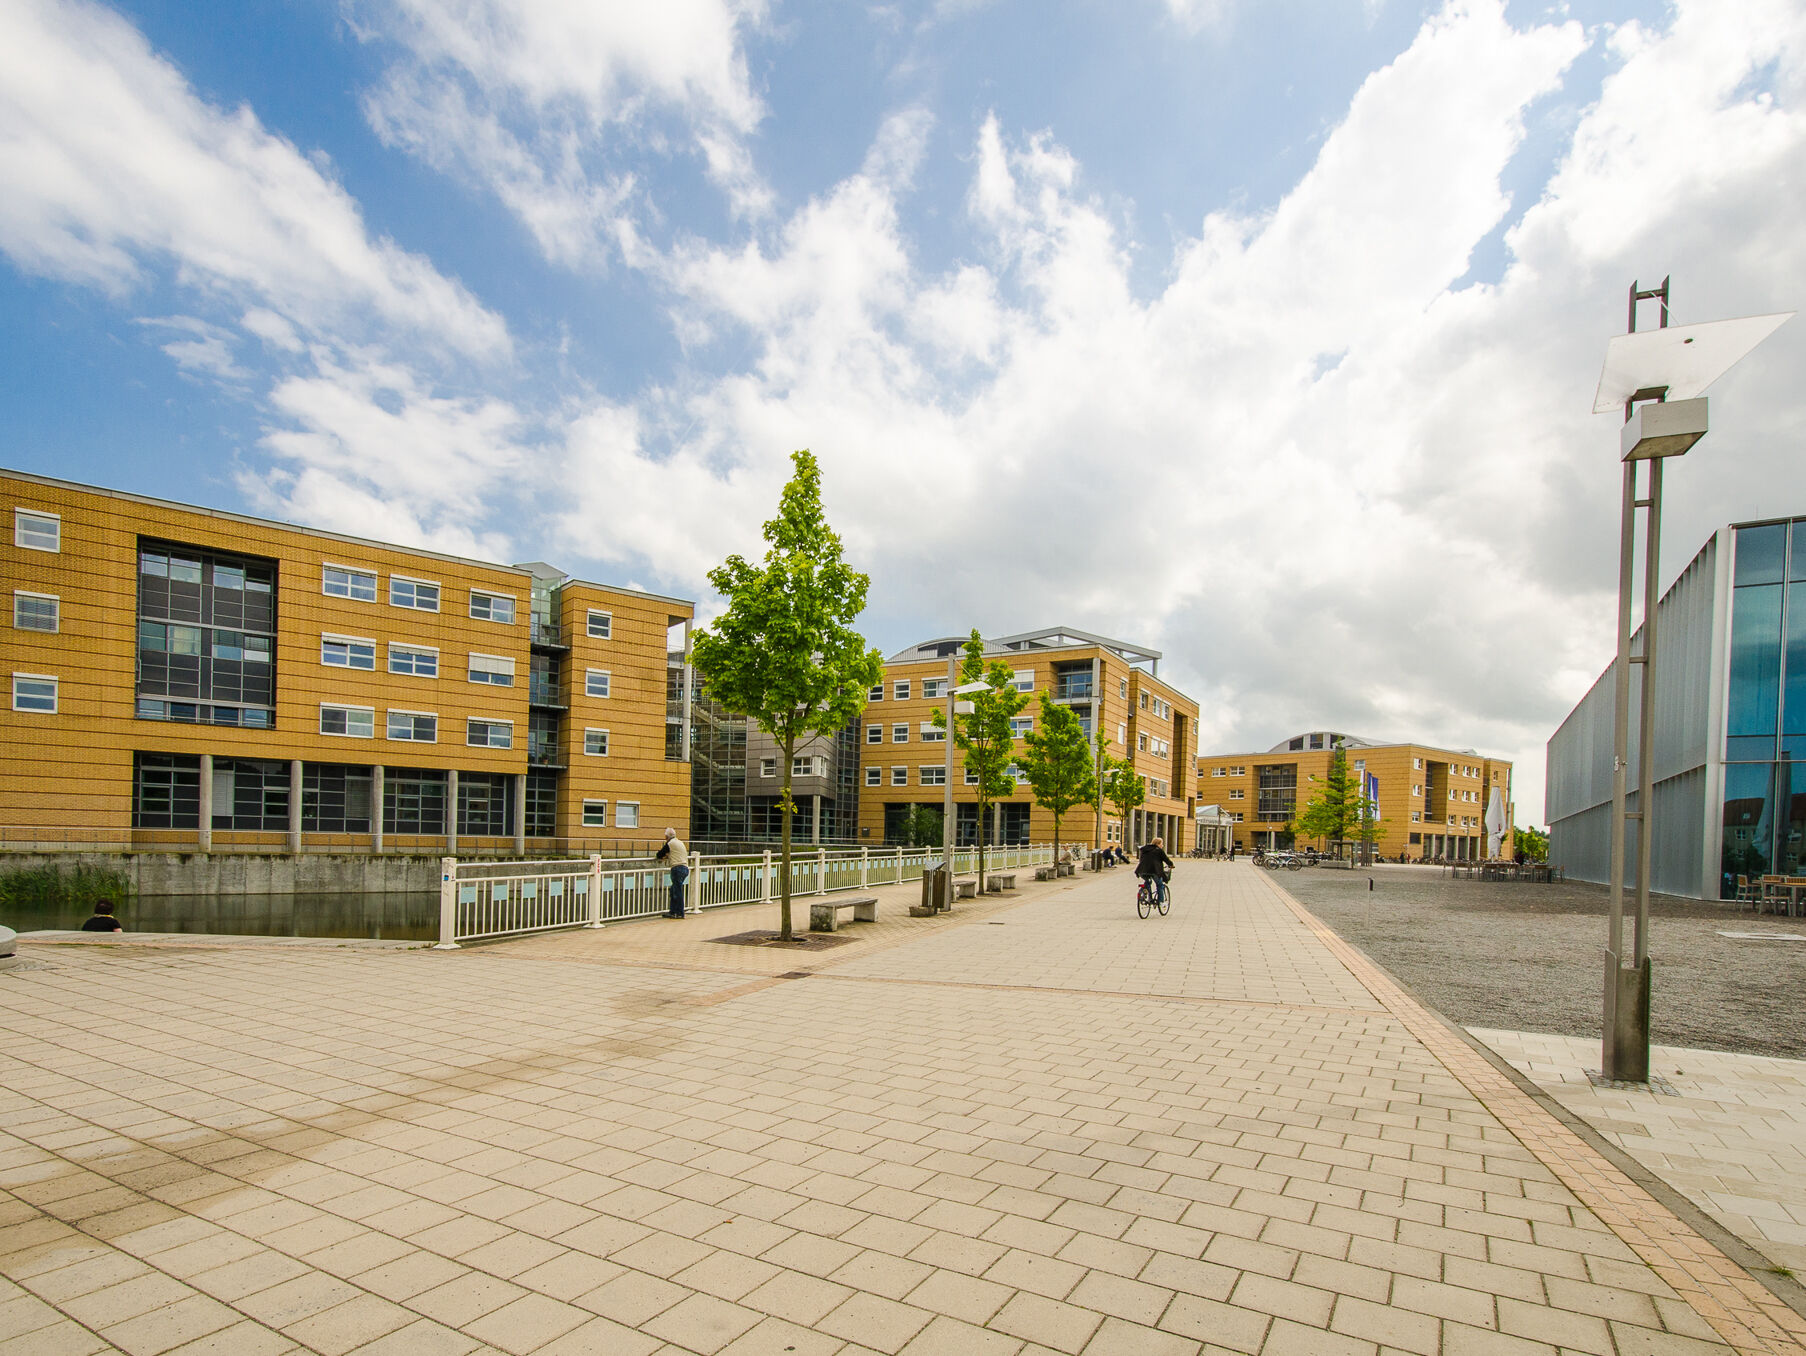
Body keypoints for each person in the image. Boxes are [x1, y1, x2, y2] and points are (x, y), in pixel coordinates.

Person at [657, 828, 689, 918]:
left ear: (667, 836)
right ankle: (673, 911)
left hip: (677, 868)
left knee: (677, 891)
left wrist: (665, 855)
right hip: (685, 868)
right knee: (674, 890)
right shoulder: (680, 842)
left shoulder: (670, 843)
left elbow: (659, 854)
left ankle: (679, 913)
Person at [1135, 836, 1175, 905]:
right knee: (1159, 885)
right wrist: (1171, 865)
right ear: (1158, 844)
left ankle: (1146, 894)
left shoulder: (1144, 849)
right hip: (1154, 871)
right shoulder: (1159, 850)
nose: (1162, 845)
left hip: (1141, 870)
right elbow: (1166, 859)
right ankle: (1161, 902)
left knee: (1148, 882)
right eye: (1162, 844)